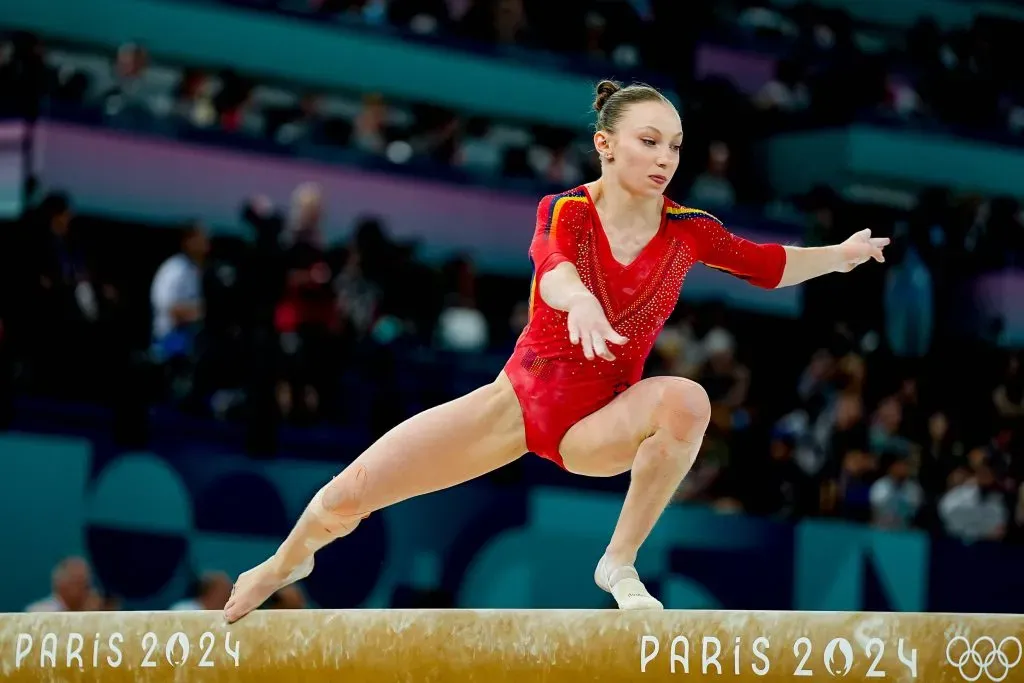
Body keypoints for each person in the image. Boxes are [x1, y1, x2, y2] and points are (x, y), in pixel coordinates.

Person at [223, 80, 888, 622]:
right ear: (605, 144)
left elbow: (768, 263)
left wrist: (840, 255)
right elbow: (554, 268)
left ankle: (619, 561)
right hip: (515, 406)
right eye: (649, 141)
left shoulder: (689, 232)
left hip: (599, 424)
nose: (665, 158)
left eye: (675, 146)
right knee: (349, 493)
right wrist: (581, 302)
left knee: (687, 401)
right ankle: (285, 561)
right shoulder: (567, 209)